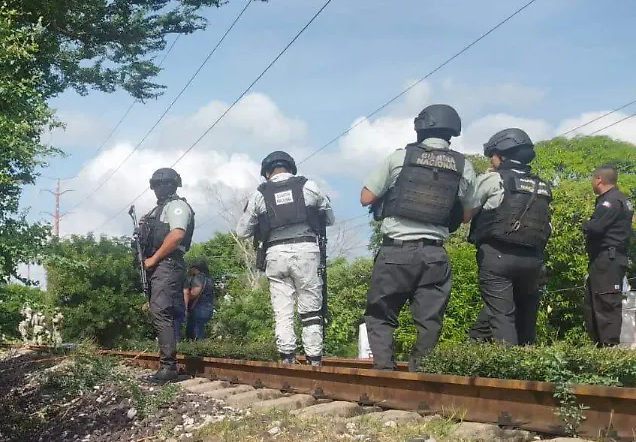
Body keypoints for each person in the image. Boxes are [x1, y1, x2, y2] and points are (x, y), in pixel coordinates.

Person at [359, 104, 475, 370]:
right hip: (435, 255)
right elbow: (466, 214)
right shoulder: (463, 166)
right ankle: (419, 374)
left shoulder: (399, 157)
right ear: (452, 131)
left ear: (420, 127)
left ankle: (384, 373)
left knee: (380, 315)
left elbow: (366, 197)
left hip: (395, 253)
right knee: (429, 320)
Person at [236, 151, 335, 365]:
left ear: (267, 172)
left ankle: (287, 359)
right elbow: (329, 218)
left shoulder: (259, 194)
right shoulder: (309, 186)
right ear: (291, 167)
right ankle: (314, 360)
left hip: (275, 254)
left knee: (283, 311)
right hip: (306, 251)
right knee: (311, 311)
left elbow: (242, 231)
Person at [465, 128, 552, 346]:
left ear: (501, 155)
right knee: (526, 318)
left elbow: (466, 215)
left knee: (502, 317)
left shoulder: (492, 179)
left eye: (491, 155)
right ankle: (528, 372)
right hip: (533, 260)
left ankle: (509, 372)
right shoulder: (542, 186)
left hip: (498, 256)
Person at [138, 167, 195, 382]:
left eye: (161, 185)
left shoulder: (177, 206)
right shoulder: (157, 210)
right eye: (156, 186)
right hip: (159, 267)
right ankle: (167, 364)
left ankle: (168, 368)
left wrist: (153, 259)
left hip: (167, 264)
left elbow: (177, 235)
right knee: (160, 312)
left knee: (162, 312)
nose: (158, 189)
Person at [582, 165, 634, 346]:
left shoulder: (610, 201)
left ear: (599, 179)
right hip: (604, 260)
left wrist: (586, 222)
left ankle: (609, 352)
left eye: (592, 179)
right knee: (594, 306)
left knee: (606, 306)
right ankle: (599, 350)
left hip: (608, 259)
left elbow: (595, 227)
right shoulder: (620, 199)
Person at [184, 258, 215, 340]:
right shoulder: (209, 279)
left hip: (198, 308)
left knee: (194, 334)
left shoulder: (198, 278)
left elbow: (194, 293)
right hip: (208, 307)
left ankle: (195, 350)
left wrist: (185, 296)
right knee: (200, 330)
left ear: (195, 268)